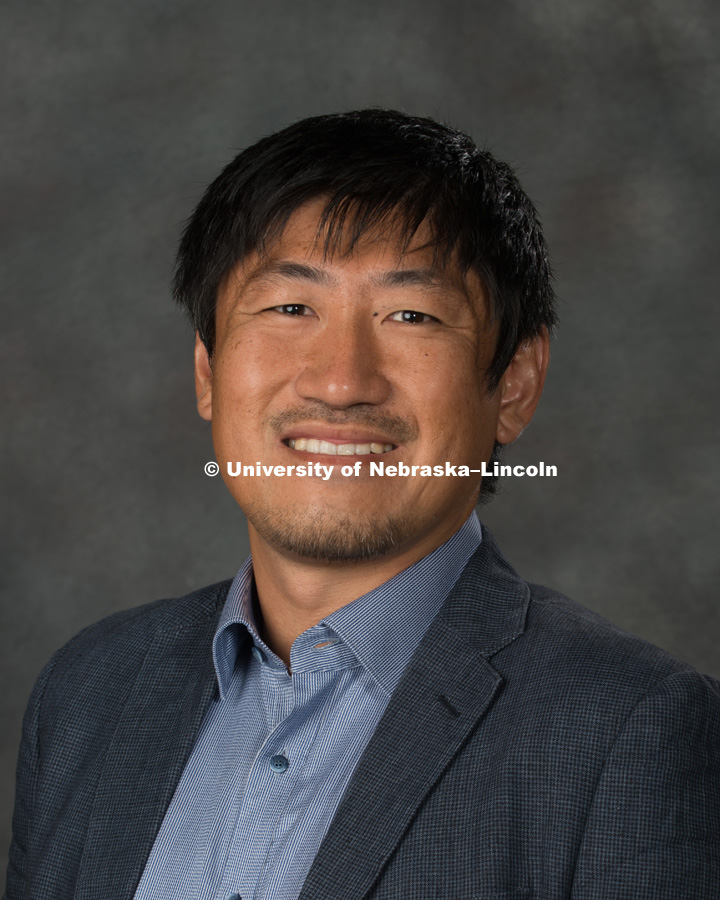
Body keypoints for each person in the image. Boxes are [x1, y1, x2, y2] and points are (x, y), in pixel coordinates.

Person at [5, 109, 719, 900]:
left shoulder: (631, 729)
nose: (341, 380)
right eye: (289, 309)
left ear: (514, 383)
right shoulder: (90, 693)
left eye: (410, 316)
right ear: (207, 371)